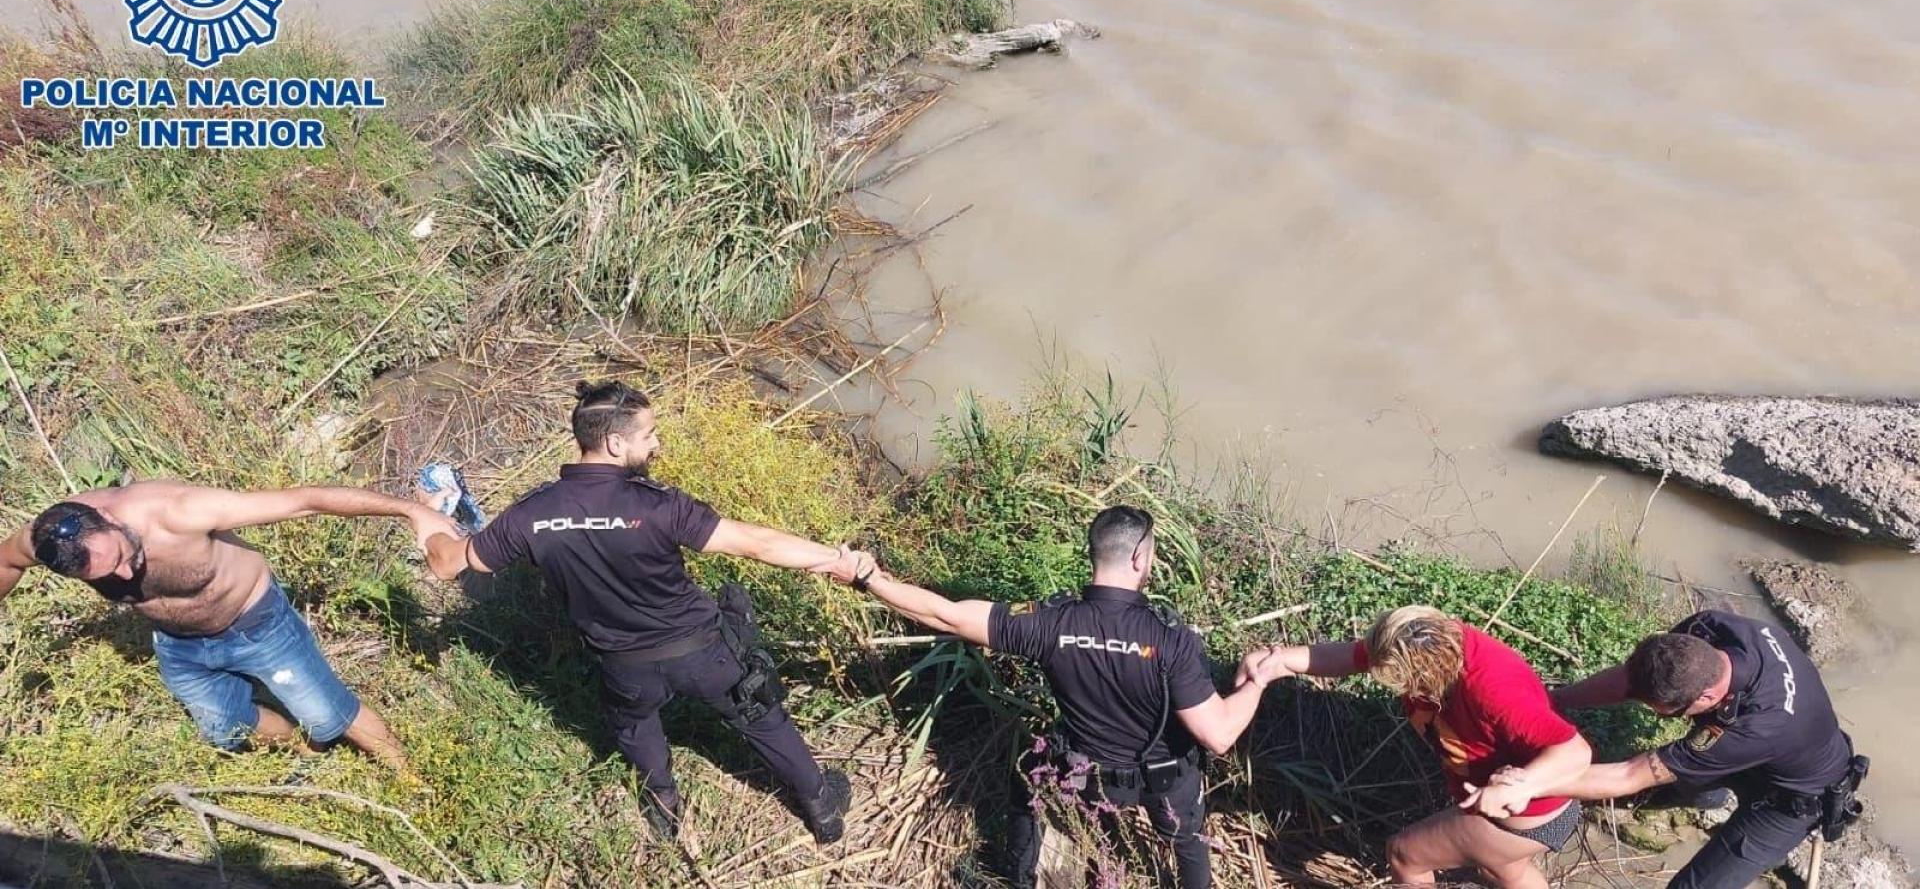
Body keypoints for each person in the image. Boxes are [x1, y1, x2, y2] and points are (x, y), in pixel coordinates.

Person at [412, 379, 861, 844]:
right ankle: (822, 807)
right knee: (761, 715)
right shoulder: (657, 505)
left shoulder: (531, 515)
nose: (657, 445)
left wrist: (428, 519)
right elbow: (757, 544)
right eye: (649, 435)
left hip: (625, 665)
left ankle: (663, 809)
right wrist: (834, 559)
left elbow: (452, 564)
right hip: (703, 654)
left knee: (635, 726)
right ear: (614, 442)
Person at [845, 505, 1271, 889]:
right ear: (1141, 559)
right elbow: (1218, 736)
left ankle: (1019, 873)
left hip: (1082, 777)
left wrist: (872, 579)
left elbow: (946, 614)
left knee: (1024, 779)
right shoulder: (1170, 639)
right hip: (1164, 783)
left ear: (1094, 554)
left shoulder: (1049, 622)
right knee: (1189, 841)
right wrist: (1257, 680)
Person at [0, 480, 457, 769]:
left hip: (257, 625)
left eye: (120, 558)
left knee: (326, 715)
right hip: (180, 646)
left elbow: (307, 501)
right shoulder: (41, 541)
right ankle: (306, 754)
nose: (122, 576)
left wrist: (411, 511)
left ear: (112, 518)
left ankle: (408, 774)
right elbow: (6, 563)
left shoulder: (179, 511)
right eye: (102, 578)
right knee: (227, 729)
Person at [1240, 606, 1591, 889]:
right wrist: (1281, 660)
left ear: (1427, 675)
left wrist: (1519, 786)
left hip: (1532, 809)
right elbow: (1352, 656)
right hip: (1515, 805)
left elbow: (1576, 752)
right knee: (1505, 872)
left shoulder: (1493, 687)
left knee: (1406, 855)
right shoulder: (1418, 640)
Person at [1546, 610, 1864, 889]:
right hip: (1773, 751)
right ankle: (1706, 795)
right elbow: (1632, 680)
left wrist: (1532, 782)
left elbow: (1630, 774)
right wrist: (1555, 701)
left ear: (1707, 699)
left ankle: (1709, 797)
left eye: (1665, 712)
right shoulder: (1707, 628)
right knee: (1678, 786)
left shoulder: (1755, 728)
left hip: (1789, 802)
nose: (1657, 715)